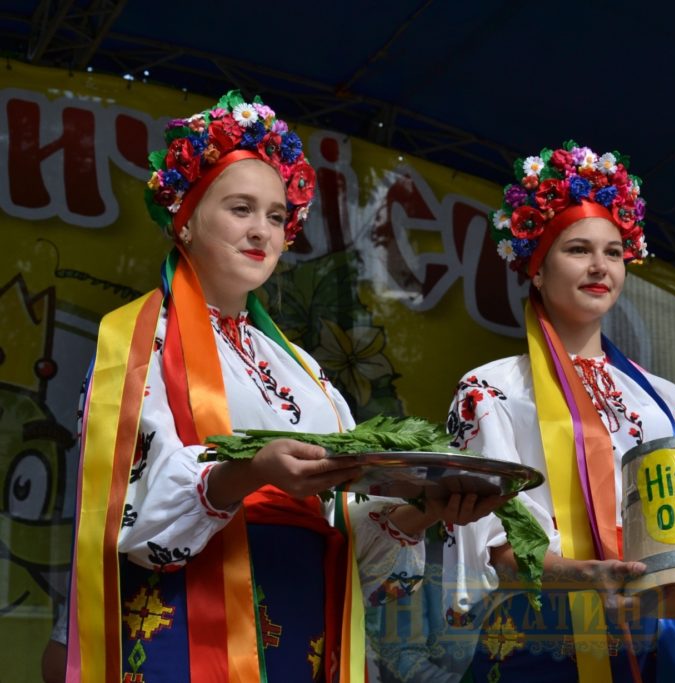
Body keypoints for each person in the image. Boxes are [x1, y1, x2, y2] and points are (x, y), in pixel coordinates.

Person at [66, 91, 503, 683]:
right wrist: (253, 472)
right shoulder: (139, 341)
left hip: (305, 619)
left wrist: (423, 510)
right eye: (240, 209)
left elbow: (350, 533)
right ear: (186, 218)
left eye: (276, 216)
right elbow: (127, 512)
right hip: (195, 621)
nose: (262, 231)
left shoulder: (303, 370)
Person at [363, 142, 675, 682]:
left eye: (614, 252)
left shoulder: (672, 403)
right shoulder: (492, 391)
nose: (600, 266)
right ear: (535, 266)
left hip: (661, 636)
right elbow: (497, 547)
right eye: (578, 249)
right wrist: (587, 574)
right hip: (544, 636)